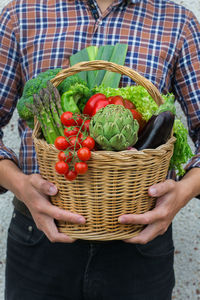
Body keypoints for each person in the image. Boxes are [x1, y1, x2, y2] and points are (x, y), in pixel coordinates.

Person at [0, 0, 200, 299]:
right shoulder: (19, 13)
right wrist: (21, 185)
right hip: (39, 236)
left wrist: (183, 193)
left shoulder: (179, 22)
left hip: (140, 242)